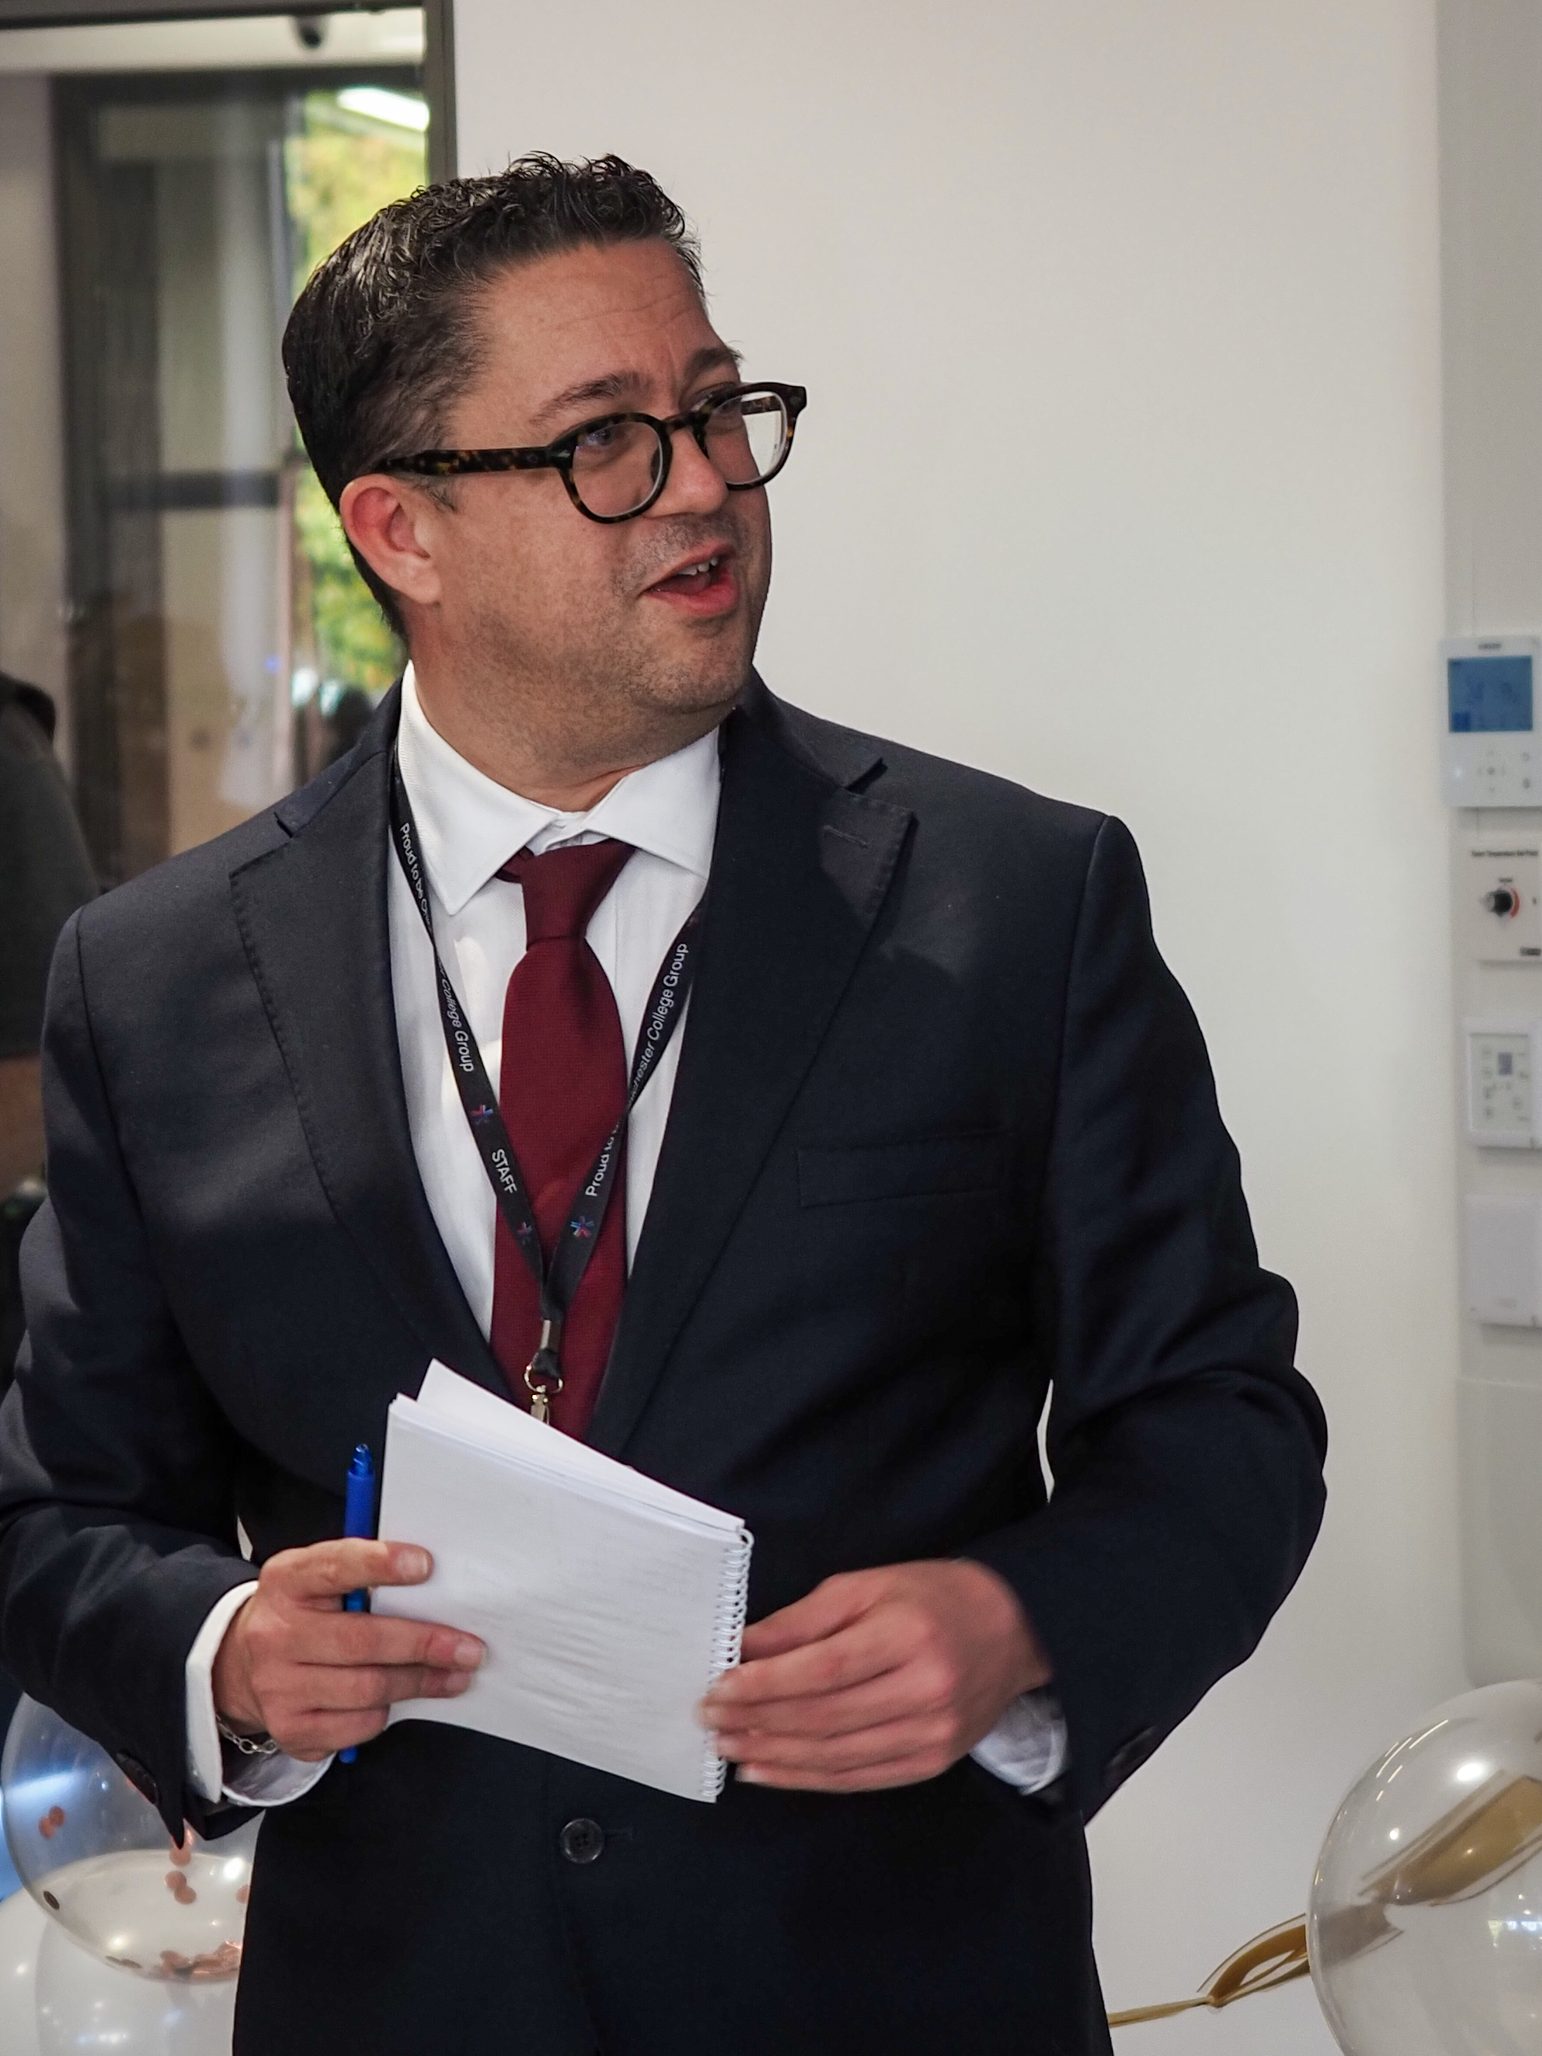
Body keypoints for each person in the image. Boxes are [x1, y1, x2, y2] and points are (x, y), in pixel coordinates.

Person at [0, 156, 1326, 2055]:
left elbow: (1222, 1419)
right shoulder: (150, 980)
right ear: (400, 529)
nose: (702, 483)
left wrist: (1020, 1621)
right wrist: (224, 1653)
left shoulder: (1015, 903)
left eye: (715, 411)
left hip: (896, 1996)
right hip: (405, 2003)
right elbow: (62, 1510)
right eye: (604, 441)